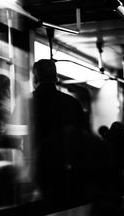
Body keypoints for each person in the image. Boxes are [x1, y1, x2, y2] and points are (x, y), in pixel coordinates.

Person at [31, 59, 90, 206]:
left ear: (35, 78)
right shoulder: (72, 103)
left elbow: (14, 136)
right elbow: (84, 138)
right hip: (68, 173)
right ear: (56, 78)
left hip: (38, 172)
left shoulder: (27, 102)